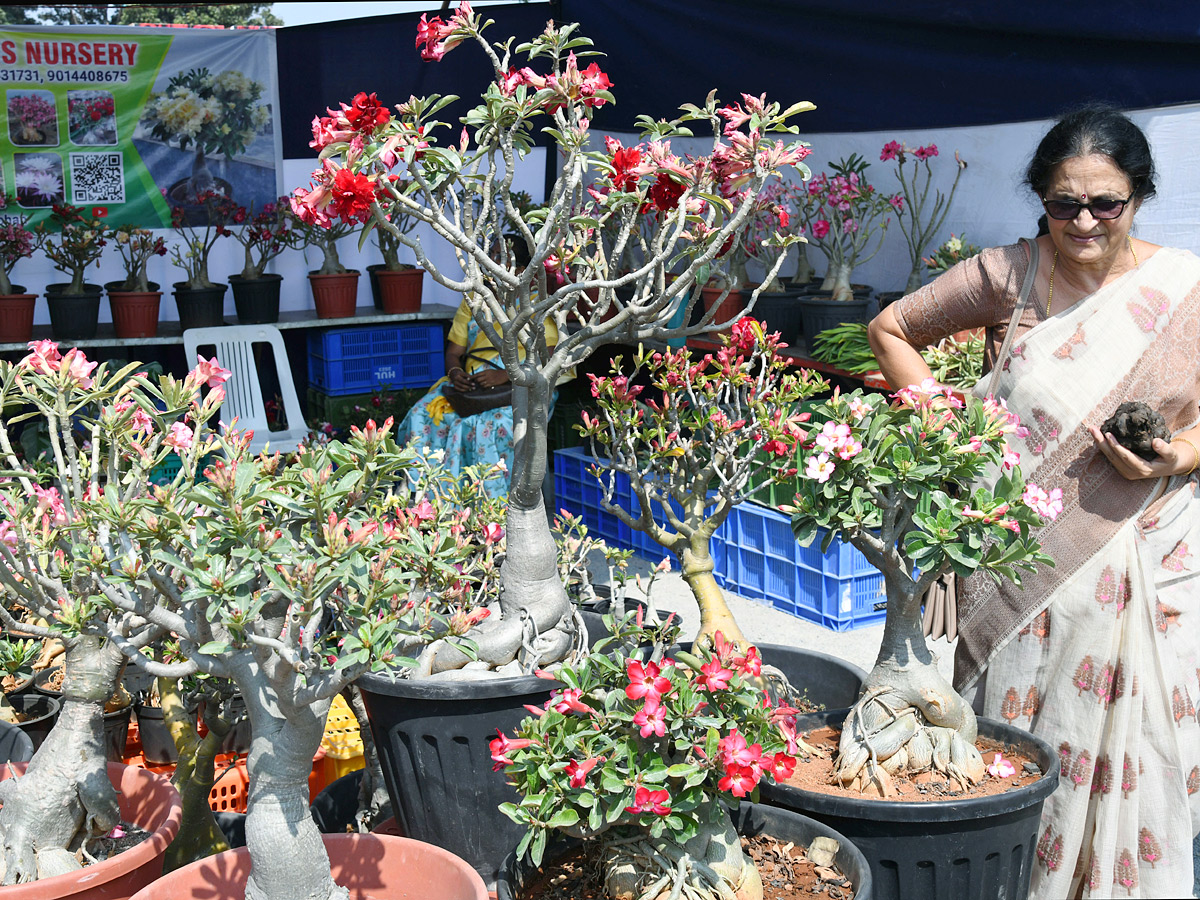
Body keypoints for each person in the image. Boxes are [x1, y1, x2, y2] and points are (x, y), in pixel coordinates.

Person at [868, 106, 1200, 898]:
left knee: (1152, 738)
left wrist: (1184, 451)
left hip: (1154, 561)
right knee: (1027, 746)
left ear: (1140, 197)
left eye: (1104, 203)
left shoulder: (1184, 289)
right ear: (1042, 201)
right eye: (1063, 204)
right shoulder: (1008, 276)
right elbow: (891, 329)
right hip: (1022, 577)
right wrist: (954, 426)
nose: (1082, 220)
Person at [395, 242, 559, 497]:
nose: (490, 263)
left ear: (522, 268)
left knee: (483, 426)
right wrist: (456, 374)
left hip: (523, 387)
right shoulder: (473, 299)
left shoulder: (537, 302)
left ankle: (488, 507)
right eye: (489, 257)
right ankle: (425, 499)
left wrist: (506, 375)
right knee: (421, 414)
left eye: (500, 258)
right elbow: (453, 353)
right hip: (473, 387)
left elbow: (547, 354)